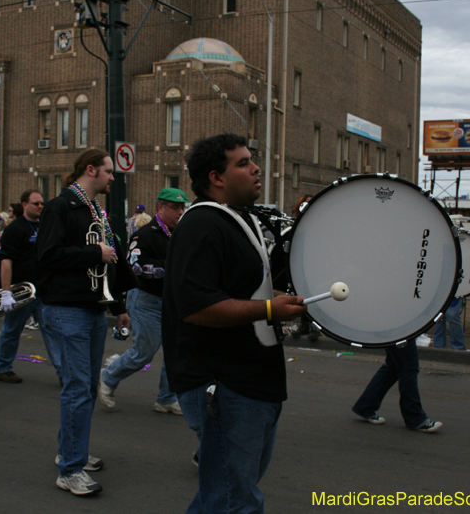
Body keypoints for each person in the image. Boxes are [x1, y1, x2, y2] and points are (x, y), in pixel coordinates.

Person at [162, 133, 307, 513]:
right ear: (217, 178)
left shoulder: (240, 222)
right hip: (225, 383)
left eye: (251, 160)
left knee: (227, 494)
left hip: (253, 380)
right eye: (242, 163)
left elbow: (248, 289)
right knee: (234, 500)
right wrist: (271, 310)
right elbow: (196, 307)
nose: (256, 167)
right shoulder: (202, 225)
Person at [37, 148, 137, 496]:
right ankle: (70, 469)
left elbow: (110, 262)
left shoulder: (96, 210)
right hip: (67, 309)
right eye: (109, 171)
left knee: (84, 390)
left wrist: (119, 304)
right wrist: (95, 252)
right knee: (78, 390)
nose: (113, 177)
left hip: (93, 307)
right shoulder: (60, 207)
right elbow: (47, 257)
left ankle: (71, 451)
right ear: (91, 169)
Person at [100, 187, 189, 414]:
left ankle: (166, 397)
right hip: (146, 300)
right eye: (176, 207)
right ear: (161, 207)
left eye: (183, 207)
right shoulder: (145, 234)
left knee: (176, 351)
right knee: (144, 352)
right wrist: (170, 269)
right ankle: (109, 376)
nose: (181, 212)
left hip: (171, 301)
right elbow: (135, 266)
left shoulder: (181, 234)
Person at [0, 189, 61, 384]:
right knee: (12, 329)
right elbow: (6, 262)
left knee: (52, 332)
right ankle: (3, 368)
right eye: (36, 203)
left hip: (43, 290)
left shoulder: (45, 226)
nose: (41, 206)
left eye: (42, 203)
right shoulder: (15, 229)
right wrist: (6, 292)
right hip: (22, 291)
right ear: (24, 205)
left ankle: (64, 374)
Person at [351, 339, 443, 433]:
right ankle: (415, 418)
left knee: (393, 366)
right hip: (400, 332)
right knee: (408, 368)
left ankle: (365, 406)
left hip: (394, 330)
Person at [288, 194, 321, 341]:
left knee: (314, 294)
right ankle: (304, 325)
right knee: (303, 294)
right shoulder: (297, 227)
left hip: (315, 264)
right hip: (301, 264)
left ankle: (314, 327)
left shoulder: (318, 224)